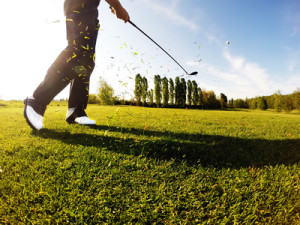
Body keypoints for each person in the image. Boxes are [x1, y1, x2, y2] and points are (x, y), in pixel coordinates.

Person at [24, 0, 130, 130]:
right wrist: (117, 6)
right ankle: (37, 100)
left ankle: (75, 109)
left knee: (87, 60)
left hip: (90, 9)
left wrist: (114, 5)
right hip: (80, 4)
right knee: (79, 51)